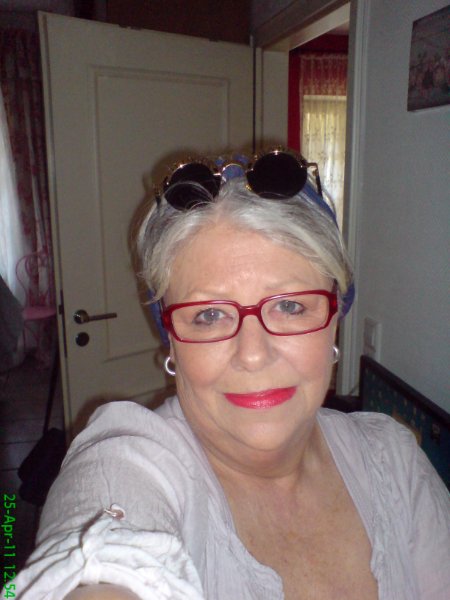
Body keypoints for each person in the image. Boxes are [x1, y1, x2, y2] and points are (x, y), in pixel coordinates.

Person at [12, 150, 450, 600]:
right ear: (172, 340)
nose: (253, 354)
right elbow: (100, 556)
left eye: (289, 306)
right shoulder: (127, 462)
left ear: (334, 319)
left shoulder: (393, 458)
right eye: (209, 315)